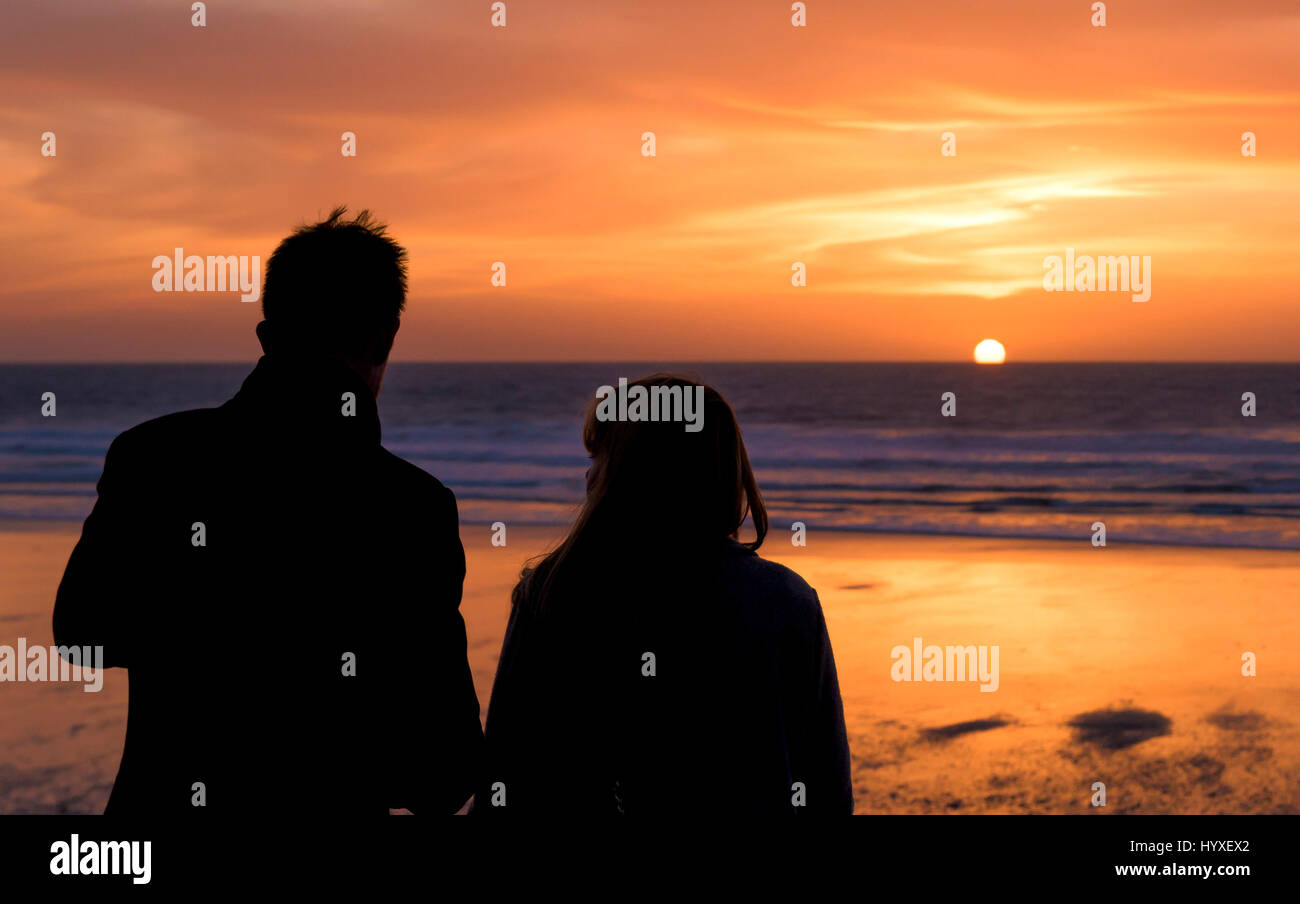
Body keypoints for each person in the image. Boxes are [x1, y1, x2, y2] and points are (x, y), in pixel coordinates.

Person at [53, 207, 482, 815]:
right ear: (385, 342)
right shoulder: (412, 507)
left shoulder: (153, 456)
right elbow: (440, 775)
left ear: (265, 336)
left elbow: (81, 634)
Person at [477, 374, 852, 815]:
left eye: (600, 452)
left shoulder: (555, 592)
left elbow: (503, 777)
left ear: (632, 470)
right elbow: (828, 786)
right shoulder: (785, 601)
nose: (587, 471)